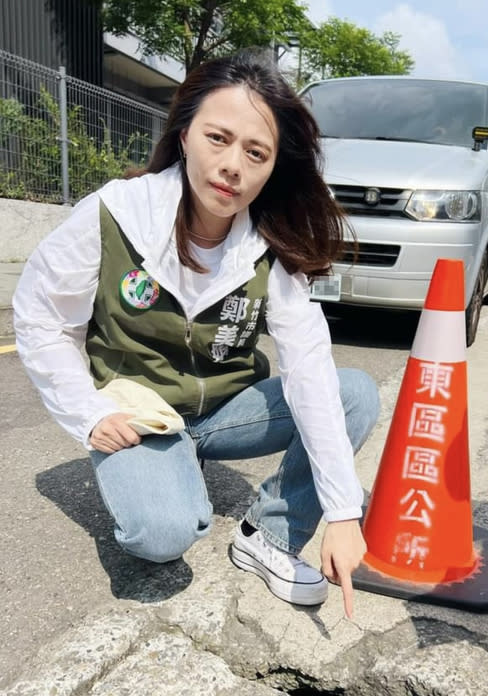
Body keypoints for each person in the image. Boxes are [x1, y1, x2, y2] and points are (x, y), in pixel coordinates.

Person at [13, 49, 380, 619]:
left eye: (255, 153)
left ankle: (271, 535)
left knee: (351, 390)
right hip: (143, 415)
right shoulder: (114, 213)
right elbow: (42, 318)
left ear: (272, 168)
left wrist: (341, 513)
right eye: (218, 138)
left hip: (227, 413)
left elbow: (308, 369)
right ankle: (167, 471)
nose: (233, 165)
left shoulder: (271, 248)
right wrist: (87, 413)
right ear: (184, 134)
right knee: (160, 540)